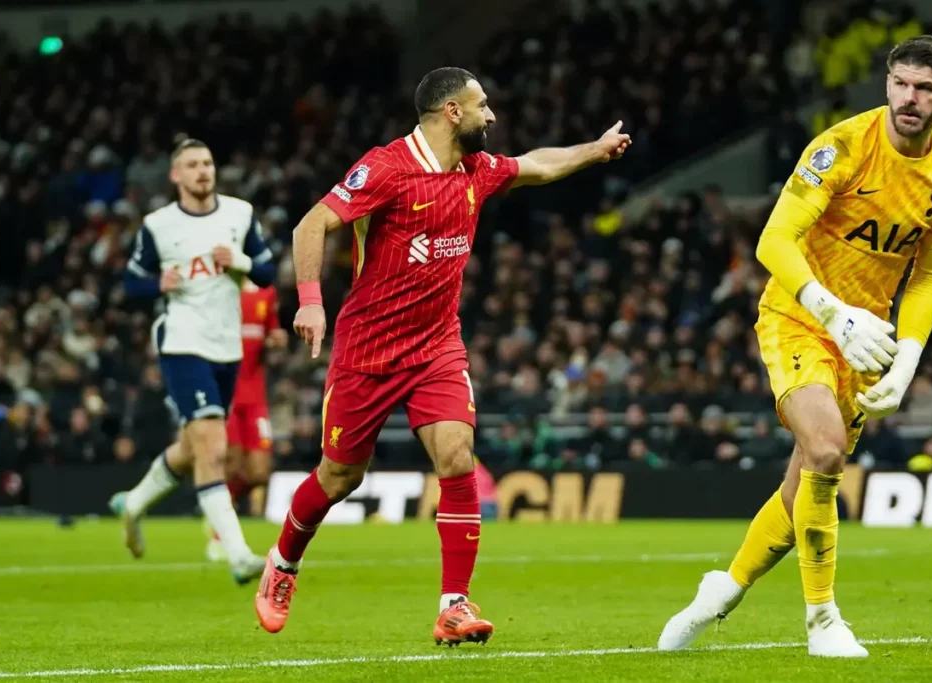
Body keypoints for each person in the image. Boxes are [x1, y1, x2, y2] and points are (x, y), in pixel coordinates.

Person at [252, 67, 630, 642]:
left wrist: (594, 151)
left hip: (436, 347)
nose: (492, 116)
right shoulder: (386, 168)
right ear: (452, 112)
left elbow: (536, 164)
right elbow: (312, 225)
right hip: (368, 351)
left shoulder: (475, 170)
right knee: (339, 477)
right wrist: (309, 303)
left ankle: (454, 605)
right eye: (483, 106)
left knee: (456, 458)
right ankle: (282, 564)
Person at [658, 35, 932, 658]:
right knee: (827, 451)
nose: (909, 99)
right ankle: (823, 620)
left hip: (867, 341)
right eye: (900, 84)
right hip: (801, 316)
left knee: (799, 487)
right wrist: (833, 312)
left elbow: (928, 277)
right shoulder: (841, 148)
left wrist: (907, 359)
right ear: (886, 82)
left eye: (924, 89)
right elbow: (774, 241)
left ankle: (722, 590)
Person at [110, 138, 278, 584]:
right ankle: (238, 552)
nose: (203, 170)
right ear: (176, 175)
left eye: (208, 162)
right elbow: (130, 285)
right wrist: (157, 284)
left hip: (228, 346)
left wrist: (238, 259)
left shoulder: (239, 214)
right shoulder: (158, 225)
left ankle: (133, 505)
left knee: (191, 449)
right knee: (213, 445)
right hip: (182, 342)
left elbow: (267, 272)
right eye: (193, 165)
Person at [207, 280, 287, 562]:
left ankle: (220, 512)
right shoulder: (219, 290)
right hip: (226, 394)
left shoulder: (266, 294)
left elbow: (271, 334)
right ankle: (220, 533)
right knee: (231, 463)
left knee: (258, 473)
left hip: (255, 397)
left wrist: (276, 340)